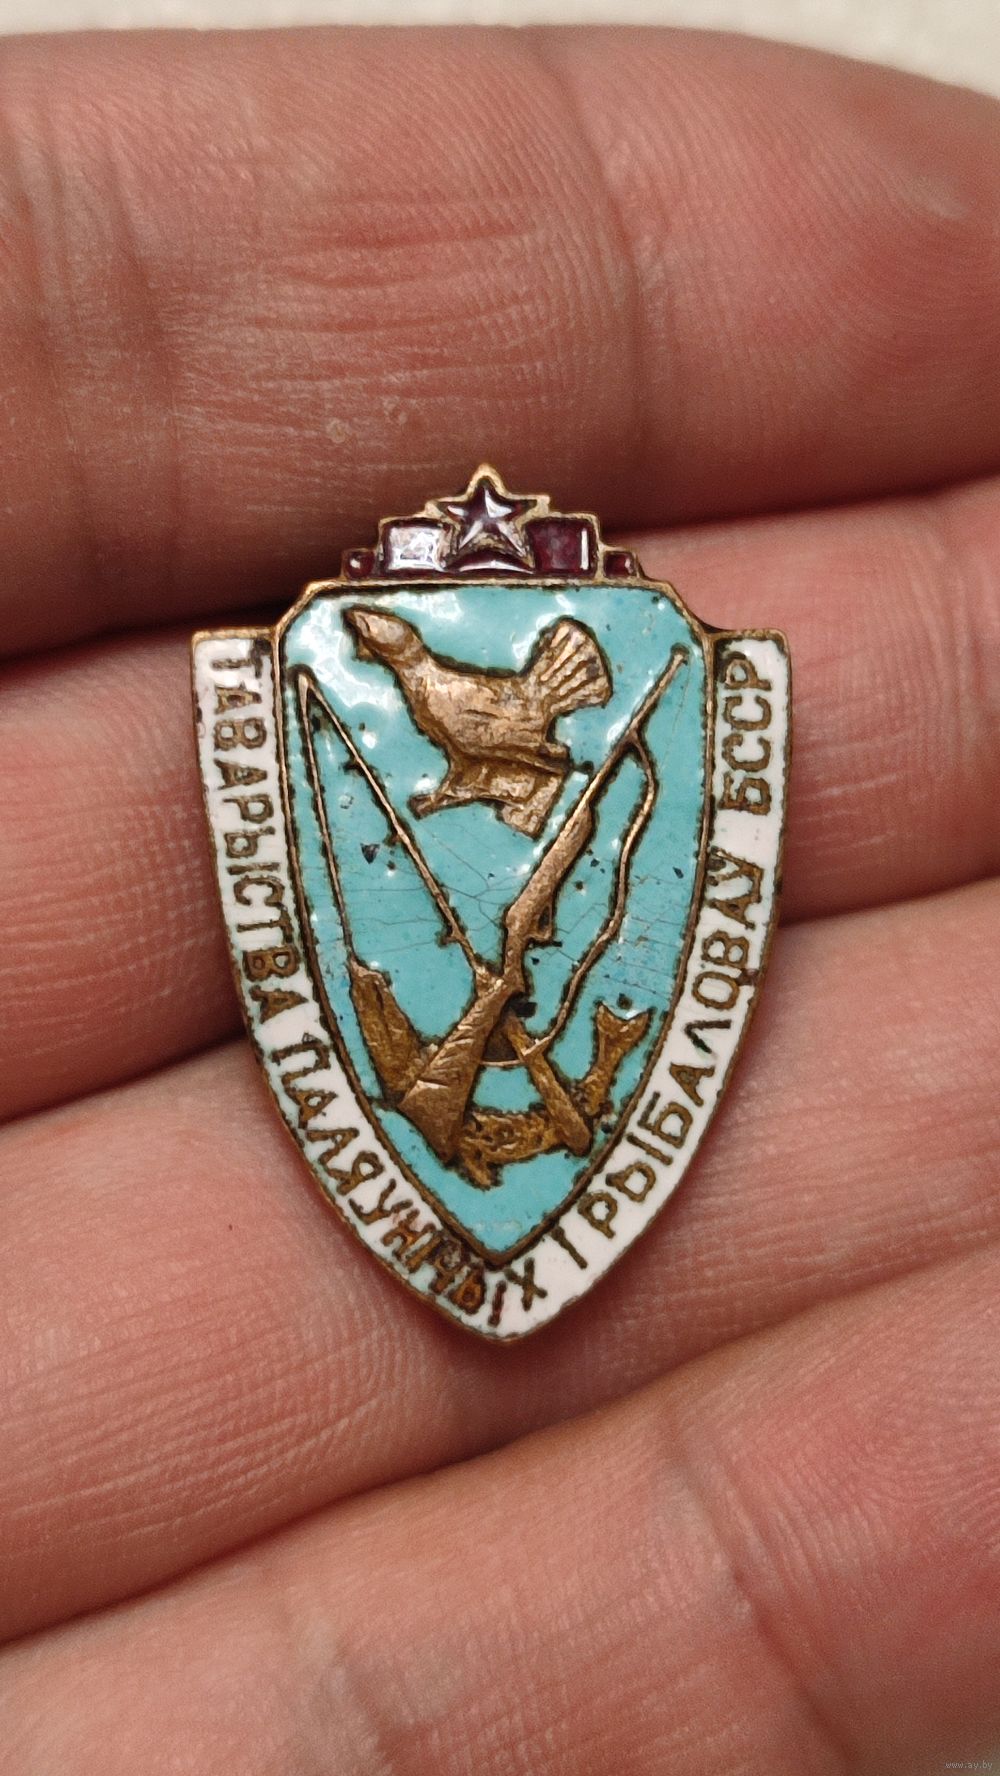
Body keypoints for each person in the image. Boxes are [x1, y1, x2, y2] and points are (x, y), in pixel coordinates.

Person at [1, 22, 998, 1772]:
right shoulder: (370, 678)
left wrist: (526, 842)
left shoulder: (525, 691)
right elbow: (469, 761)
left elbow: (509, 757)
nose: (401, 666)